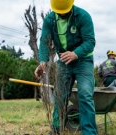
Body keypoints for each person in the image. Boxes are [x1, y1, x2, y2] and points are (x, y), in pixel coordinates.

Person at [34, 0, 98, 134]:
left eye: (65, 12)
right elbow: (44, 42)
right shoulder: (49, 20)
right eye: (59, 12)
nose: (62, 15)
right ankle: (56, 130)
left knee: (85, 94)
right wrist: (43, 61)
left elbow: (90, 41)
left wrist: (76, 53)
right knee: (60, 96)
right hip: (64, 63)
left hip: (83, 60)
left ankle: (89, 132)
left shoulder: (83, 16)